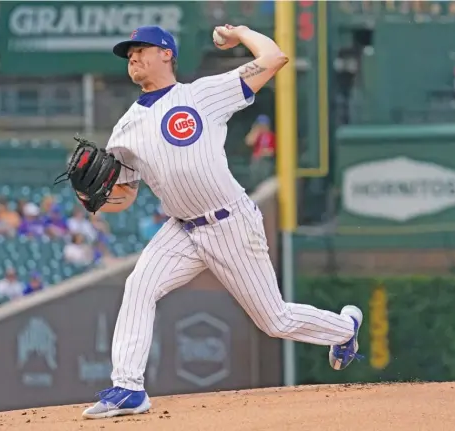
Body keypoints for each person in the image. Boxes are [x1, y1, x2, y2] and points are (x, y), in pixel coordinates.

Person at [79, 24, 363, 420]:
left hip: (230, 222)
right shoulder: (125, 128)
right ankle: (128, 388)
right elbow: (123, 197)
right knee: (139, 286)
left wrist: (242, 32)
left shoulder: (201, 95)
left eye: (141, 49)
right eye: (129, 54)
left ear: (166, 54)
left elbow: (274, 58)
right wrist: (92, 201)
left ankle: (344, 329)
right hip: (180, 229)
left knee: (274, 319)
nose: (133, 58)